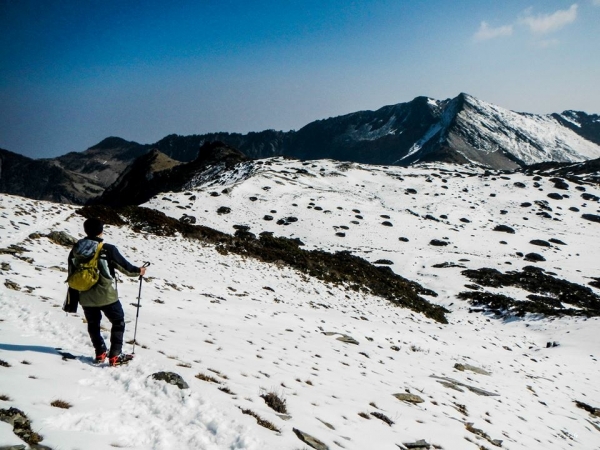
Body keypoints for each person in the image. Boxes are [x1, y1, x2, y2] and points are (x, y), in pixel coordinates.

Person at [67, 218, 147, 366]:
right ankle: (115, 355)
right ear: (100, 231)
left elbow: (71, 273)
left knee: (93, 323)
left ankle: (100, 352)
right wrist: (139, 271)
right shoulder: (107, 249)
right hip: (106, 295)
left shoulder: (76, 249)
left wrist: (72, 299)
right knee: (118, 322)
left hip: (84, 294)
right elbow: (127, 269)